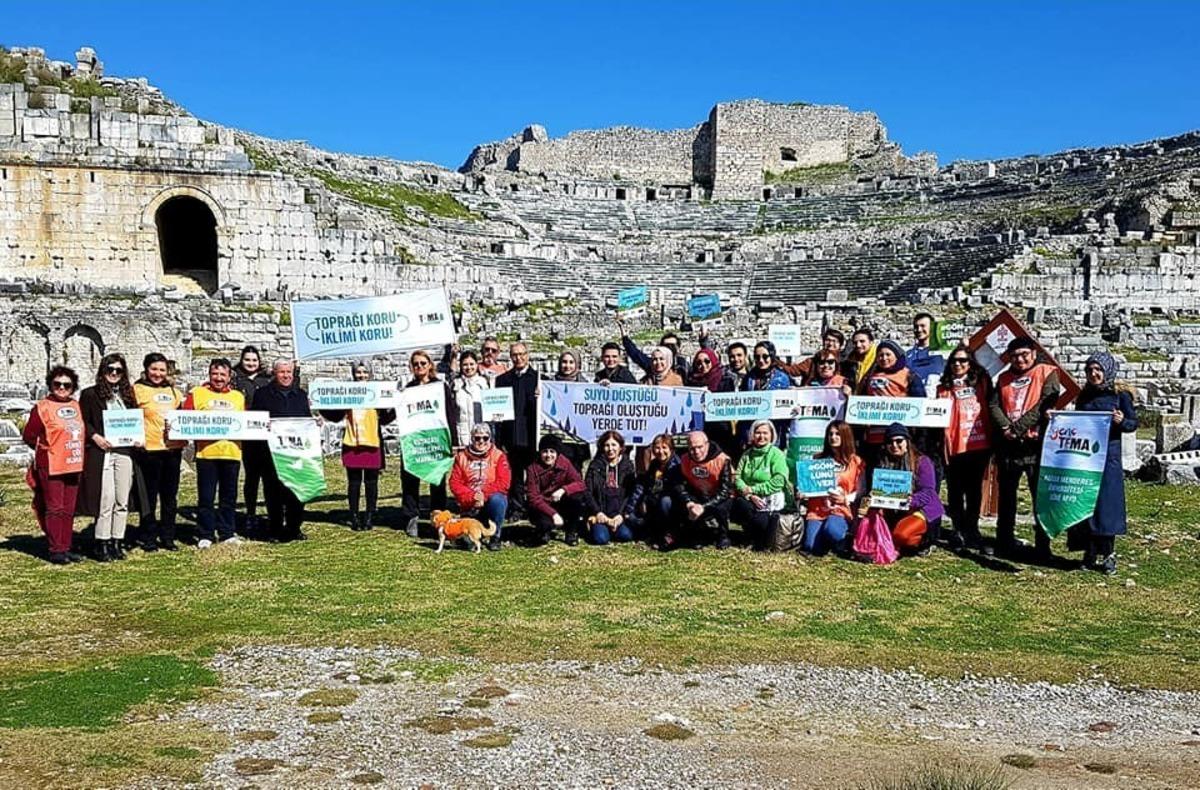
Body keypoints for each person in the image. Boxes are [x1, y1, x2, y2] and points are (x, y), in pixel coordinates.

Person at [988, 336, 1061, 559]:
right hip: (1009, 446)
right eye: (1015, 356)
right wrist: (1005, 427)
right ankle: (1004, 541)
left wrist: (1017, 428)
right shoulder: (1003, 379)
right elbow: (993, 404)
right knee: (1006, 498)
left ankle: (1042, 546)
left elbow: (1044, 405)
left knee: (1039, 498)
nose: (1020, 360)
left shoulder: (1048, 372)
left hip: (1036, 445)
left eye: (1024, 355)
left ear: (1033, 353)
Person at [1073, 351, 1137, 575]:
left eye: (1098, 369)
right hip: (1086, 457)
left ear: (1107, 370)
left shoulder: (1120, 396)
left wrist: (1121, 421)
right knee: (1086, 504)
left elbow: (1132, 424)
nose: (1094, 374)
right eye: (1090, 370)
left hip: (1108, 457)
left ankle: (1108, 553)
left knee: (1107, 507)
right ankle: (1089, 552)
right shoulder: (1084, 396)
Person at [78, 353, 142, 561]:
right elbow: (84, 421)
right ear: (103, 371)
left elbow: (134, 422)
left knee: (122, 498)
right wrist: (95, 437)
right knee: (106, 499)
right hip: (103, 451)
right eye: (110, 370)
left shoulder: (128, 395)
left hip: (124, 451)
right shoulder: (90, 394)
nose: (114, 374)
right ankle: (102, 542)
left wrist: (138, 439)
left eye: (118, 370)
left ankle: (117, 540)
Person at [318, 362, 395, 531]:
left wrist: (396, 405)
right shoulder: (348, 393)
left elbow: (386, 417)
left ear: (370, 374)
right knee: (354, 482)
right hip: (352, 442)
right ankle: (353, 515)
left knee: (371, 482)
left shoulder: (377, 394)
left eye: (364, 372)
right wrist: (319, 405)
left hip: (372, 442)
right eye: (358, 372)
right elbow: (337, 415)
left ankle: (369, 515)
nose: (361, 375)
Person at [23, 366, 85, 564]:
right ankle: (55, 549)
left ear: (73, 387)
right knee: (54, 507)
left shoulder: (76, 406)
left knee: (68, 508)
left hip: (73, 462)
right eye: (57, 384)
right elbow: (30, 435)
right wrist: (47, 449)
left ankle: (66, 546)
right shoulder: (42, 407)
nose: (62, 388)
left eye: (67, 385)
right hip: (51, 463)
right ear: (50, 385)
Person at [180, 358, 245, 548]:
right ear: (209, 375)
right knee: (206, 497)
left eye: (222, 374)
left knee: (229, 497)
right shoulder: (198, 393)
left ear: (229, 376)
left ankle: (227, 532)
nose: (218, 378)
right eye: (215, 374)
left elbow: (246, 422)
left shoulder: (238, 397)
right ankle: (205, 534)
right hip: (206, 454)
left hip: (232, 452)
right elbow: (185, 418)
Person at [936, 346, 993, 553]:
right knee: (954, 491)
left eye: (963, 361)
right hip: (953, 446)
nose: (958, 364)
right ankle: (957, 529)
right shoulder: (943, 388)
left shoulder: (982, 382)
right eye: (954, 361)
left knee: (974, 490)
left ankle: (972, 529)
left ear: (971, 364)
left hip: (978, 444)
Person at [251, 360, 312, 542]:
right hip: (271, 452)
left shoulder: (301, 395)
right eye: (282, 372)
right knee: (273, 492)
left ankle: (294, 527)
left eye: (289, 372)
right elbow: (255, 420)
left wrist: (314, 423)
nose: (286, 376)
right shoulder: (262, 395)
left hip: (296, 452)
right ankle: (275, 529)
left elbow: (306, 419)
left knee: (296, 490)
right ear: (274, 373)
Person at [399, 349, 457, 537]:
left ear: (430, 365)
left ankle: (438, 517)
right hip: (414, 441)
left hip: (436, 440)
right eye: (416, 364)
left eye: (423, 363)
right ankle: (411, 517)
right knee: (409, 480)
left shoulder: (441, 387)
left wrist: (453, 442)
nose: (419, 367)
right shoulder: (407, 390)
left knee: (437, 480)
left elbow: (450, 414)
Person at [861, 423, 943, 555]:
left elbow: (929, 492)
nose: (894, 445)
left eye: (899, 441)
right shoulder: (883, 463)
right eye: (890, 442)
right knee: (874, 529)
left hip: (922, 509)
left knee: (901, 535)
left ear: (907, 441)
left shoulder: (922, 462)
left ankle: (926, 540)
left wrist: (912, 500)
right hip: (896, 510)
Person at [134, 352, 185, 551]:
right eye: (154, 369)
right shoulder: (137, 390)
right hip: (149, 450)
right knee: (149, 495)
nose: (158, 373)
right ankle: (148, 536)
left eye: (162, 370)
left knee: (170, 495)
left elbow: (184, 413)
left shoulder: (174, 391)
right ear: (146, 369)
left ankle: (168, 536)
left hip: (172, 449)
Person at [802, 421, 864, 556]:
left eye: (837, 434)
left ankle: (842, 539)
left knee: (832, 531)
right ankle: (828, 541)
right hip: (818, 509)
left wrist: (845, 498)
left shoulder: (856, 462)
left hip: (841, 509)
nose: (833, 437)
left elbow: (861, 491)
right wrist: (802, 491)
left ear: (845, 436)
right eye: (830, 434)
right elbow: (807, 485)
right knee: (810, 546)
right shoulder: (817, 458)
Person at [667, 431, 734, 550]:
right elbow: (679, 485)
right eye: (692, 448)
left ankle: (723, 535)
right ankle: (695, 534)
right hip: (698, 494)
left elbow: (726, 491)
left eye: (700, 447)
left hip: (720, 496)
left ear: (707, 445)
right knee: (677, 503)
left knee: (721, 508)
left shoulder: (723, 460)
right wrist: (689, 502)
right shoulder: (685, 459)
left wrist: (704, 506)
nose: (696, 452)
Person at [448, 423, 510, 551]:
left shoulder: (499, 456)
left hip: (489, 500)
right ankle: (473, 532)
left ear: (490, 438)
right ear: (472, 438)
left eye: (485, 438)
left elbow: (504, 482)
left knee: (499, 500)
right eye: (477, 438)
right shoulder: (461, 457)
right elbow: (454, 483)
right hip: (469, 503)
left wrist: (483, 495)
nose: (481, 441)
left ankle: (495, 536)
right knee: (468, 543)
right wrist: (472, 496)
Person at [494, 342, 539, 518]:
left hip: (531, 436)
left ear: (528, 355)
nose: (518, 358)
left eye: (522, 354)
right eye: (514, 355)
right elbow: (498, 413)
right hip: (511, 435)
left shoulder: (538, 379)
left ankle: (535, 506)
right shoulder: (502, 380)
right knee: (516, 476)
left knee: (534, 475)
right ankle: (517, 507)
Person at [731, 420, 789, 550]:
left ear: (772, 435)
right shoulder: (746, 455)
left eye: (765, 433)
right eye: (757, 433)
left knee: (762, 524)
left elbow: (779, 481)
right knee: (738, 505)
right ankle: (752, 535)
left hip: (770, 499)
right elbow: (737, 477)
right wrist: (750, 494)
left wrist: (755, 489)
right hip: (749, 498)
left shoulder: (777, 454)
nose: (761, 436)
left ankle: (758, 539)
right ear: (752, 434)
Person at [857, 339, 926, 446]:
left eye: (888, 354)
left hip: (899, 436)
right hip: (874, 434)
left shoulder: (909, 375)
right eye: (880, 355)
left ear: (897, 355)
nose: (884, 358)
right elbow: (860, 400)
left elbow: (920, 404)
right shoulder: (869, 376)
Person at [232, 345, 271, 535]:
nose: (251, 363)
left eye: (254, 360)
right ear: (242, 360)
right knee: (252, 477)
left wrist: (296, 371)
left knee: (270, 477)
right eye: (247, 360)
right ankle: (250, 513)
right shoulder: (235, 380)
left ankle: (273, 512)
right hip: (247, 436)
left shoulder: (267, 380)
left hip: (266, 435)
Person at [526, 435, 591, 546]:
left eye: (552, 451)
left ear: (557, 453)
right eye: (545, 451)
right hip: (542, 504)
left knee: (577, 498)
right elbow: (533, 497)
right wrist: (553, 514)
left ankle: (571, 532)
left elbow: (580, 483)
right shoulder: (532, 468)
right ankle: (543, 532)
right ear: (540, 452)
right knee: (544, 523)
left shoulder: (564, 463)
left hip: (560, 501)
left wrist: (563, 490)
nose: (548, 455)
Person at [584, 430, 637, 545]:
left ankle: (613, 527)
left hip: (618, 513)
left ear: (620, 447)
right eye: (607, 445)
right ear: (602, 447)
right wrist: (597, 512)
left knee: (626, 536)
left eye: (614, 445)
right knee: (601, 539)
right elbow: (587, 492)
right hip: (601, 513)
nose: (610, 449)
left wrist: (621, 515)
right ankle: (593, 523)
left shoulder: (628, 466)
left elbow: (631, 493)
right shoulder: (595, 465)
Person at [626, 433, 679, 545]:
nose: (661, 451)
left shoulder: (677, 466)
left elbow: (674, 490)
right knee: (631, 517)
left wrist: (648, 500)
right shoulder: (654, 464)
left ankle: (668, 533)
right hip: (652, 503)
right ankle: (649, 532)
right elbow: (644, 486)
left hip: (671, 506)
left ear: (671, 449)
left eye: (664, 448)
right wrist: (630, 508)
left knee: (665, 501)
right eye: (657, 448)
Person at [687, 347, 739, 461]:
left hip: (721, 431)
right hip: (699, 429)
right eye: (698, 362)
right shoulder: (691, 382)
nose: (703, 365)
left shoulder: (725, 381)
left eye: (707, 361)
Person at [741, 341, 791, 449]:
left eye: (765, 356)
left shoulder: (782, 378)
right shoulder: (749, 378)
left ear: (772, 356)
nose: (761, 360)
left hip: (775, 430)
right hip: (754, 430)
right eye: (757, 357)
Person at [551, 350, 591, 471]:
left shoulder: (586, 385)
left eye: (571, 362)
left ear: (577, 364)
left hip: (577, 440)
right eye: (564, 362)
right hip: (558, 437)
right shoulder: (550, 383)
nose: (567, 366)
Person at [619, 320, 690, 379]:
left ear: (678, 347)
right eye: (666, 346)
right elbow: (635, 354)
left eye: (672, 345)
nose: (670, 348)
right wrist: (624, 334)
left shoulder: (683, 365)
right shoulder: (653, 364)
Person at [451, 350, 490, 448]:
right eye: (465, 365)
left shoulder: (485, 383)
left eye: (471, 364)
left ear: (477, 365)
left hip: (482, 437)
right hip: (462, 435)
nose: (469, 368)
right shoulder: (455, 384)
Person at [780, 328, 846, 384]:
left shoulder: (845, 363)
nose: (830, 344)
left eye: (834, 341)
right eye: (828, 340)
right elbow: (793, 370)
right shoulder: (812, 361)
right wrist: (775, 361)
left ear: (840, 345)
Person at [906, 312, 946, 390]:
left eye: (922, 326)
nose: (919, 330)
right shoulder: (907, 355)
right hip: (915, 398)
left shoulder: (944, 352)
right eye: (916, 326)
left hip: (938, 398)